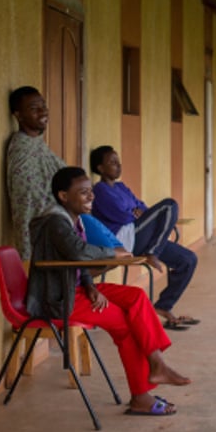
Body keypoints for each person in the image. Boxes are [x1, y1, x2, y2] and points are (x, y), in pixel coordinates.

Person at [28, 165, 191, 416]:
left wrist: (91, 286)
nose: (91, 197)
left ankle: (157, 362)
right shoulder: (54, 221)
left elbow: (75, 262)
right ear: (63, 196)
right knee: (126, 326)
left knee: (136, 296)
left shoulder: (74, 220)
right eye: (83, 193)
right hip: (60, 299)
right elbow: (77, 253)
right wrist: (110, 252)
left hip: (76, 288)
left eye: (90, 191)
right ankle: (141, 396)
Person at [89, 145, 199, 331]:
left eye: (118, 162)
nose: (118, 166)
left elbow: (144, 208)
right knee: (169, 205)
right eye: (112, 163)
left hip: (141, 234)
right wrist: (135, 213)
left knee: (188, 260)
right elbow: (122, 216)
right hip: (125, 239)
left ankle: (164, 306)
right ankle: (152, 252)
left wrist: (138, 212)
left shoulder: (121, 187)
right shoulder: (99, 190)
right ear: (100, 168)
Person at [6, 86, 65, 261]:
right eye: (33, 108)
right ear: (18, 115)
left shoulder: (38, 145)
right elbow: (28, 203)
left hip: (65, 229)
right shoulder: (21, 151)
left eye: (43, 106)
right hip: (48, 239)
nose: (42, 112)